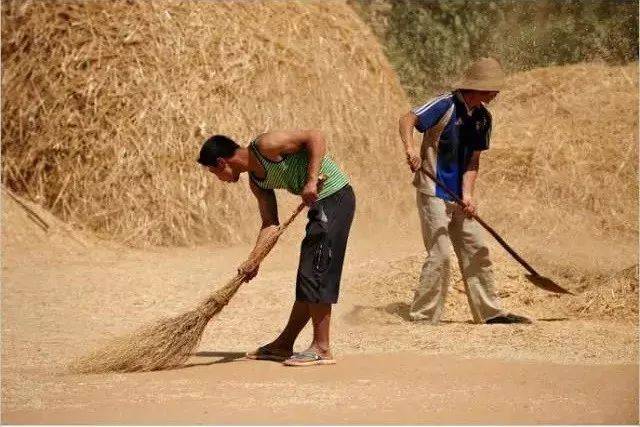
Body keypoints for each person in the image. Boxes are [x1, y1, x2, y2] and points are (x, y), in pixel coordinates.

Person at [197, 130, 355, 365]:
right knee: (307, 275)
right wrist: (254, 259)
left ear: (222, 162)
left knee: (316, 270)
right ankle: (284, 344)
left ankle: (321, 348)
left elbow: (316, 137)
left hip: (335, 196)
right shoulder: (257, 181)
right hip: (320, 204)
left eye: (214, 172)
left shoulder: (265, 145)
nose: (218, 178)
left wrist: (311, 181)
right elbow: (270, 224)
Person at [398, 57, 531, 325]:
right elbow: (408, 118)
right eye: (493, 89)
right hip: (433, 189)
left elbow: (473, 160)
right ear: (479, 87)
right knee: (441, 253)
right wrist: (411, 149)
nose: (496, 94)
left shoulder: (483, 117)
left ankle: (490, 313)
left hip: (458, 194)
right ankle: (424, 316)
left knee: (477, 247)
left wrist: (468, 195)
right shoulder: (444, 104)